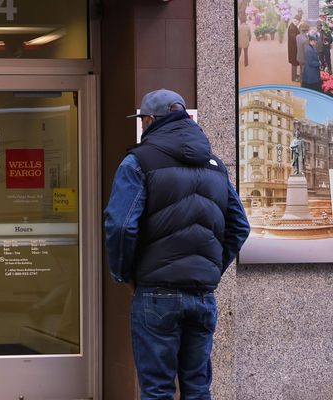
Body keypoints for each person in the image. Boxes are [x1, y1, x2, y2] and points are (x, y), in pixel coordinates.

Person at [104, 89, 251, 400]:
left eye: (143, 120)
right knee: (198, 389)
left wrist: (123, 275)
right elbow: (240, 226)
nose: (142, 127)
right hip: (202, 297)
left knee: (157, 390)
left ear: (152, 119)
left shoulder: (138, 162)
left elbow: (120, 224)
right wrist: (209, 270)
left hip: (157, 294)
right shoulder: (215, 166)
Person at [289, 13, 304, 81]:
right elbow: (294, 38)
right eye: (295, 21)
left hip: (293, 48)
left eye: (297, 21)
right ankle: (294, 78)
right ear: (293, 20)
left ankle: (295, 75)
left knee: (294, 62)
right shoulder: (292, 27)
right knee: (294, 63)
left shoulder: (293, 26)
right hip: (293, 48)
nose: (296, 22)